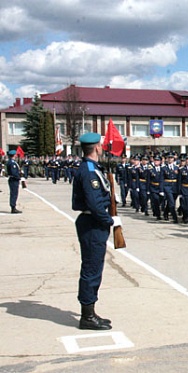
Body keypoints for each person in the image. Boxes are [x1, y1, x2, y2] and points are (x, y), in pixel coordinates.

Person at [72, 133, 121, 330]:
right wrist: (109, 219)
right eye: (100, 146)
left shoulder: (92, 168)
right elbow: (93, 203)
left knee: (94, 268)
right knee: (91, 269)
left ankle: (90, 311)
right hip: (92, 223)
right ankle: (87, 316)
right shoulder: (90, 171)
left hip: (93, 222)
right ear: (97, 148)